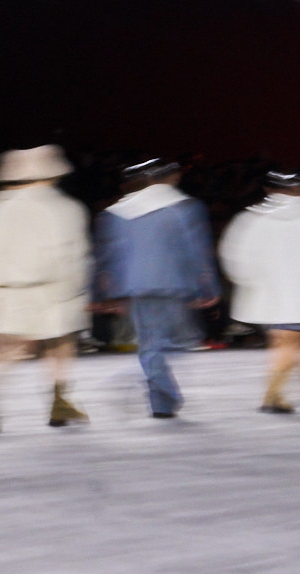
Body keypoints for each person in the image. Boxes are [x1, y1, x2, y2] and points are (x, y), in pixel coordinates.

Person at [0, 145, 91, 431]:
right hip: (54, 292)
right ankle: (59, 400)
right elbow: (75, 256)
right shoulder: (66, 208)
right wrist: (79, 291)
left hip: (3, 292)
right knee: (60, 346)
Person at [93, 158, 221, 418]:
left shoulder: (120, 211)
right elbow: (195, 250)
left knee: (152, 343)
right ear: (170, 178)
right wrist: (207, 285)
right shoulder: (183, 207)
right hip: (173, 283)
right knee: (180, 341)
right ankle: (150, 388)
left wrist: (102, 291)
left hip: (137, 285)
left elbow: (109, 254)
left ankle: (161, 403)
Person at [218, 169, 300, 413]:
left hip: (265, 297)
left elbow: (235, 258)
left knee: (287, 341)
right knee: (290, 342)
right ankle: (272, 396)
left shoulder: (252, 218)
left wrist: (250, 283)